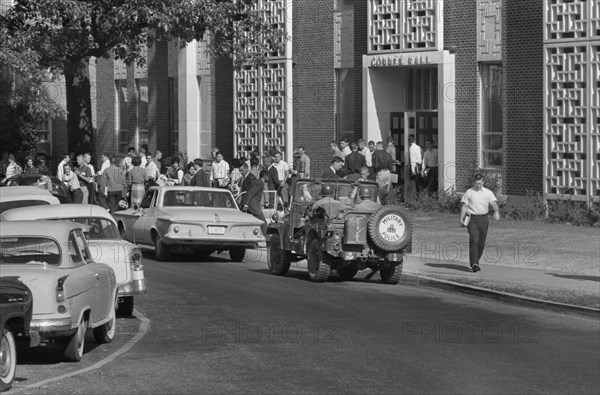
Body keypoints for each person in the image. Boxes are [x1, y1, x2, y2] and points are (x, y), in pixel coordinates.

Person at [459, 174, 501, 273]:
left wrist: (496, 212)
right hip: (472, 219)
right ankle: (475, 264)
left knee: (481, 241)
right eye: (476, 183)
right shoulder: (469, 192)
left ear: (483, 182)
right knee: (475, 240)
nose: (478, 185)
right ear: (474, 182)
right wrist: (461, 218)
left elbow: (494, 203)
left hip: (484, 219)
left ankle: (475, 260)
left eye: (479, 183)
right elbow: (465, 206)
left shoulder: (488, 192)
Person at [241, 167, 267, 236]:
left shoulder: (258, 181)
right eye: (268, 177)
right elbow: (250, 193)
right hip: (253, 206)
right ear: (265, 177)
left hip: (252, 205)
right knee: (263, 223)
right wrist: (246, 205)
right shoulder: (260, 183)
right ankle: (267, 240)